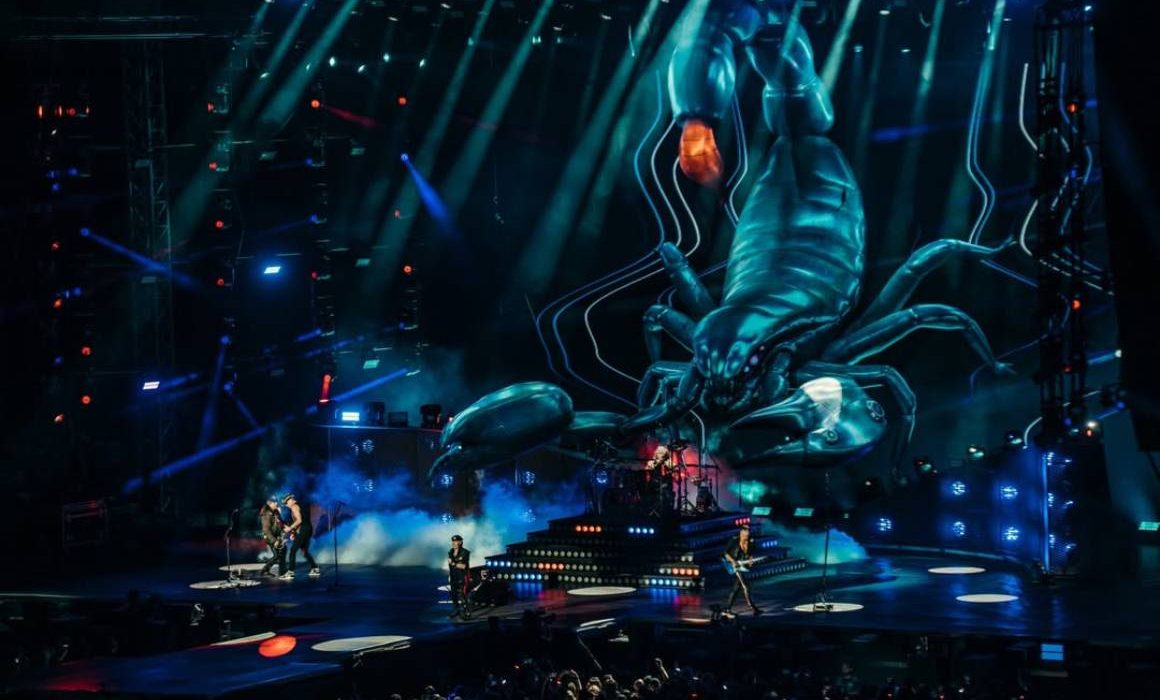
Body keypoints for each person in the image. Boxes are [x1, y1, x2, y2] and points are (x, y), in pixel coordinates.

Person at [722, 524, 761, 615]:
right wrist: (733, 561)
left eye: (748, 534)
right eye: (745, 534)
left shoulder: (751, 541)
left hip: (742, 565)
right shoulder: (734, 540)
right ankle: (753, 608)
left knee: (736, 587)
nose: (747, 536)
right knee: (745, 586)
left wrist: (751, 560)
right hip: (734, 565)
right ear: (741, 532)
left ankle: (727, 608)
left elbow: (750, 554)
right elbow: (725, 553)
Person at [280, 493, 320, 579]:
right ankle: (315, 568)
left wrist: (290, 528)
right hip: (308, 529)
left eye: (286, 503)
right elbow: (301, 521)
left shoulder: (294, 507)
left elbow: (299, 520)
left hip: (304, 530)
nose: (286, 505)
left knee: (293, 550)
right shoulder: (298, 505)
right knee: (305, 551)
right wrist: (294, 533)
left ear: (290, 500)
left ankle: (290, 572)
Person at [258, 498, 286, 577]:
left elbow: (281, 522)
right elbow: (266, 530)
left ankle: (282, 571)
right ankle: (264, 570)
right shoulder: (266, 514)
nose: (276, 503)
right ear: (270, 504)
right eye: (274, 502)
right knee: (277, 555)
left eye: (276, 502)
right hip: (270, 537)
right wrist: (274, 541)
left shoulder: (275, 512)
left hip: (277, 536)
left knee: (281, 553)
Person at [447, 534, 470, 618]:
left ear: (460, 542)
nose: (453, 543)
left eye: (455, 541)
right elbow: (450, 566)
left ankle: (465, 612)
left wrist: (453, 563)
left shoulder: (465, 552)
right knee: (453, 594)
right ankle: (456, 610)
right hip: (453, 576)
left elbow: (464, 566)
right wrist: (450, 575)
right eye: (453, 541)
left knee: (462, 595)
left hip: (461, 576)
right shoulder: (450, 552)